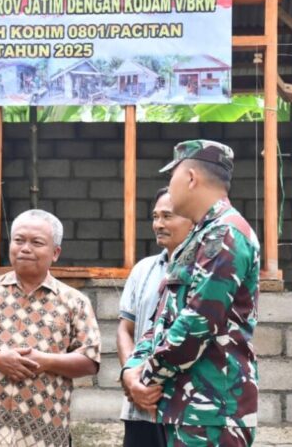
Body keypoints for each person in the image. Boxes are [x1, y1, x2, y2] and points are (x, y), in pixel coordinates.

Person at [121, 140, 260, 447]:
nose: (169, 185)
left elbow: (197, 323)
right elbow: (162, 318)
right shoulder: (197, 239)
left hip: (212, 412)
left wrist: (145, 377)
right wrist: (131, 372)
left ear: (191, 178)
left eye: (172, 176)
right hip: (184, 408)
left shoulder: (226, 233)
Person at [0, 209, 101, 447]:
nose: (25, 248)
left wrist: (47, 361)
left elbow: (90, 360)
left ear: (55, 253)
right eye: (18, 240)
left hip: (45, 436)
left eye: (37, 242)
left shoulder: (74, 301)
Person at [118, 187, 193, 447]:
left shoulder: (207, 271)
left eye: (167, 216)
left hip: (186, 410)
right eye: (155, 217)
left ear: (193, 219)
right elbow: (126, 329)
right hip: (140, 408)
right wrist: (131, 378)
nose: (158, 224)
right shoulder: (143, 269)